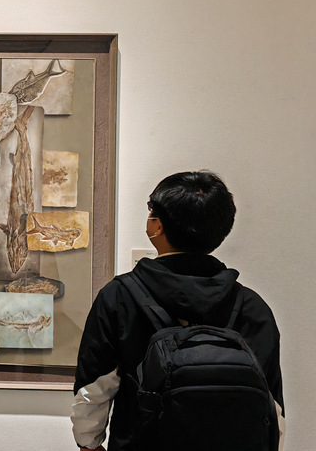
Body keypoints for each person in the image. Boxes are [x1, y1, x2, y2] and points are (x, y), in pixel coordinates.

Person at [70, 170, 285, 451]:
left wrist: (88, 443)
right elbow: (272, 404)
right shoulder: (252, 306)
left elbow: (95, 387)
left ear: (157, 226)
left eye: (151, 212)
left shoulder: (120, 296)